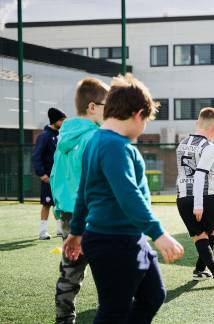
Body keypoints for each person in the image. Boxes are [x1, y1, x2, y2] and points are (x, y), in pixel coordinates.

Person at [63, 73, 184, 323]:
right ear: (138, 114)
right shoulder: (114, 146)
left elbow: (83, 193)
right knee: (113, 311)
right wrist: (159, 234)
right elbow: (128, 194)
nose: (143, 128)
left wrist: (75, 233)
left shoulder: (98, 140)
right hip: (112, 242)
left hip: (129, 238)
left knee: (153, 295)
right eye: (146, 121)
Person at [50, 77, 109, 323]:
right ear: (92, 107)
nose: (112, 111)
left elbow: (55, 175)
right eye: (108, 105)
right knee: (108, 270)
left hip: (67, 212)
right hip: (91, 213)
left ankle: (64, 318)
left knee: (70, 270)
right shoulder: (94, 138)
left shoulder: (65, 136)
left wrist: (58, 209)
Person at [175, 107, 214, 286]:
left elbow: (189, 172)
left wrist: (212, 179)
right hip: (203, 197)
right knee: (209, 233)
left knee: (199, 235)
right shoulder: (208, 147)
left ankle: (200, 270)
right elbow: (199, 175)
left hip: (182, 197)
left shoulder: (182, 143)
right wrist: (198, 204)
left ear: (197, 123)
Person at [32, 107, 67, 240]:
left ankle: (60, 229)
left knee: (59, 203)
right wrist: (42, 174)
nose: (64, 122)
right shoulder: (44, 136)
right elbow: (36, 156)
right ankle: (43, 231)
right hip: (48, 177)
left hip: (59, 177)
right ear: (55, 121)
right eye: (62, 120)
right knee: (47, 203)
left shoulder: (60, 136)